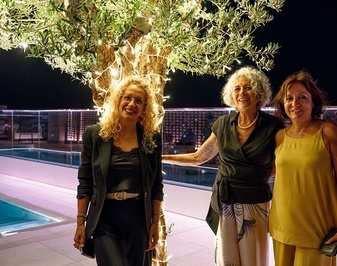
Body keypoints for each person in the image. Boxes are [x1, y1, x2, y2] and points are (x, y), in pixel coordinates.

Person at [162, 66, 284, 266]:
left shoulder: (273, 126)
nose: (242, 93)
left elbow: (283, 163)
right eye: (237, 89)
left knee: (253, 258)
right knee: (227, 259)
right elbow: (198, 157)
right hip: (225, 200)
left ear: (259, 94)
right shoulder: (222, 124)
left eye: (248, 88)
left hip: (255, 203)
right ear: (231, 95)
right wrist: (160, 158)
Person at [73, 76, 164, 266]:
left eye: (139, 101)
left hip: (138, 219)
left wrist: (155, 223)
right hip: (105, 218)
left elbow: (156, 185)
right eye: (128, 98)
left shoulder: (151, 138)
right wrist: (80, 222)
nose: (132, 104)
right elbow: (85, 182)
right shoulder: (95, 135)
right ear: (118, 100)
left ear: (145, 108)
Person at [269, 70, 337, 266]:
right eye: (289, 98)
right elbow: (275, 173)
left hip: (317, 229)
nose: (295, 103)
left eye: (302, 97)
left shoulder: (329, 131)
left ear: (313, 102)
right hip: (282, 225)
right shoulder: (280, 136)